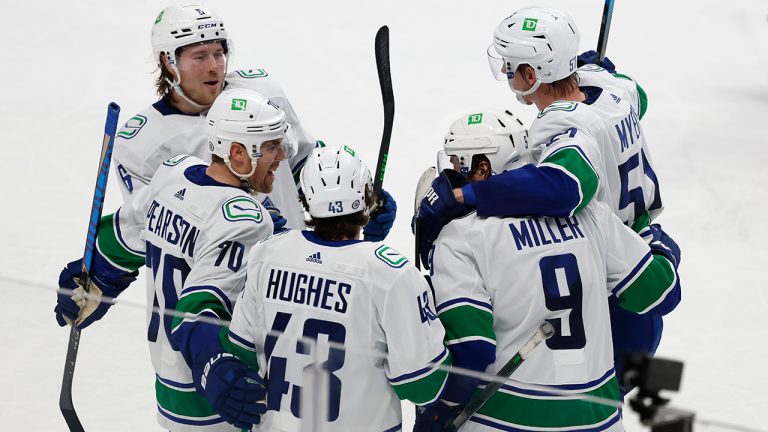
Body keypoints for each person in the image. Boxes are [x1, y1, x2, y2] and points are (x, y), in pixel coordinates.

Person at [414, 6, 679, 387]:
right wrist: (593, 71)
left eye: (510, 67)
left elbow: (565, 185)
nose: (505, 74)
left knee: (588, 407)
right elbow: (640, 97)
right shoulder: (612, 88)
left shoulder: (564, 124)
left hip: (614, 300)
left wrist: (468, 193)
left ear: (531, 74)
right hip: (638, 266)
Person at [414, 111, 681, 432]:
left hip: (504, 422)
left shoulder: (462, 236)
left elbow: (473, 350)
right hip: (598, 422)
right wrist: (660, 247)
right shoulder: (589, 212)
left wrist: (437, 410)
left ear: (482, 168)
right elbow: (659, 294)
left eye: (458, 165)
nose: (452, 176)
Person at [54, 89, 295, 431]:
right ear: (239, 153)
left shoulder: (175, 173)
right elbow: (199, 305)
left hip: (169, 382)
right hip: (220, 392)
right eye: (271, 147)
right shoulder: (245, 220)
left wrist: (94, 275)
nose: (282, 155)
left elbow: (123, 236)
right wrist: (216, 367)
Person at [216, 145, 450, 431]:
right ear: (367, 197)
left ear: (305, 199)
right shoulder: (392, 274)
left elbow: (242, 354)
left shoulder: (266, 254)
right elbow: (422, 387)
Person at [114, 3, 396, 239]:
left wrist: (348, 200)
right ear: (168, 62)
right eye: (199, 56)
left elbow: (302, 164)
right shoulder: (141, 144)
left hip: (288, 279)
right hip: (216, 287)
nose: (214, 65)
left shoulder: (264, 95)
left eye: (218, 52)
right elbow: (151, 229)